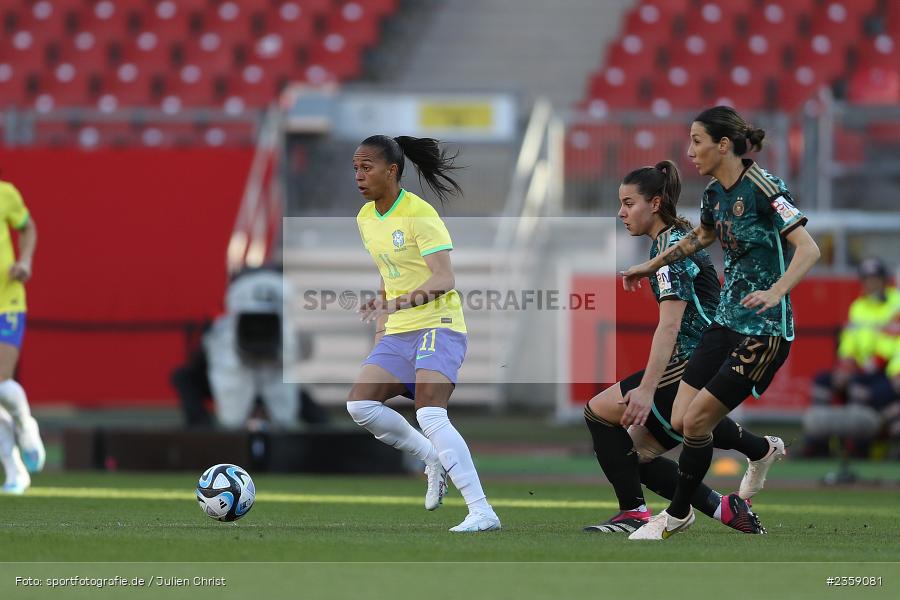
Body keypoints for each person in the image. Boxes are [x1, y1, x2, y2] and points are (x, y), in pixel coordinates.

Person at [622, 106, 821, 540]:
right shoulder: (714, 194)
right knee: (680, 417)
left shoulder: (765, 187)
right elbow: (701, 238)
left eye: (696, 141)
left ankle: (675, 516)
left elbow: (808, 249)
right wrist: (649, 264)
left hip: (763, 330)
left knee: (695, 424)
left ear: (723, 144)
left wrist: (776, 291)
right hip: (725, 323)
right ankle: (761, 450)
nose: (689, 151)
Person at [583, 161, 770, 535]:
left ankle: (633, 513)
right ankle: (724, 507)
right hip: (704, 359)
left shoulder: (671, 248)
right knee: (635, 457)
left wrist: (646, 389)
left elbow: (669, 325)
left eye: (628, 202)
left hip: (692, 361)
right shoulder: (674, 240)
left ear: (655, 203)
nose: (621, 212)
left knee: (598, 412)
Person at [347, 135, 500, 533]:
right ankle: (431, 457)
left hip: (439, 324)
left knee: (430, 411)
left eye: (367, 167)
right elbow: (387, 277)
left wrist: (397, 304)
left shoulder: (420, 213)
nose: (359, 176)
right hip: (399, 330)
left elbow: (445, 278)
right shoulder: (366, 218)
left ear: (392, 171)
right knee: (359, 406)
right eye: (356, 168)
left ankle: (482, 511)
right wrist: (384, 326)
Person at [803, 258, 900, 458]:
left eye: (875, 279)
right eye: (866, 279)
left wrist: (885, 365)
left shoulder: (896, 303)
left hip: (885, 370)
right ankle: (818, 445)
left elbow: (892, 343)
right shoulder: (858, 306)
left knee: (858, 388)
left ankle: (858, 447)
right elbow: (849, 340)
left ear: (884, 280)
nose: (871, 284)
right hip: (862, 368)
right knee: (822, 382)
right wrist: (845, 364)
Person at [0, 178, 43, 494]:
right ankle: (14, 471)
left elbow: (28, 227)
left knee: (1, 379)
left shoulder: (6, 193)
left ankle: (25, 424)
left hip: (7, 300)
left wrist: (25, 261)